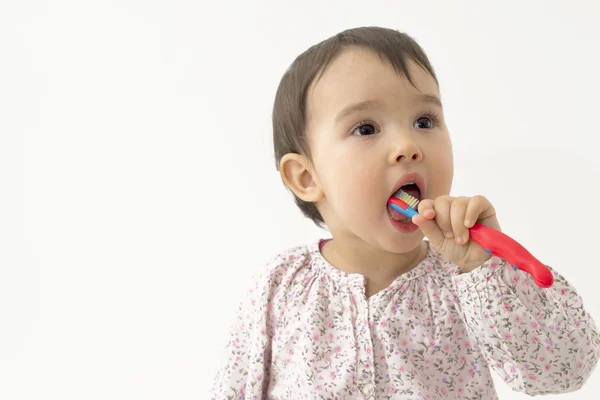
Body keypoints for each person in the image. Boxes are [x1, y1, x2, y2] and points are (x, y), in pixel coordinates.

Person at [210, 26, 600, 399]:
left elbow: (566, 370)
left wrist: (486, 269)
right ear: (307, 177)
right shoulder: (280, 285)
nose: (407, 144)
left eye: (424, 121)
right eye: (365, 128)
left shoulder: (469, 281)